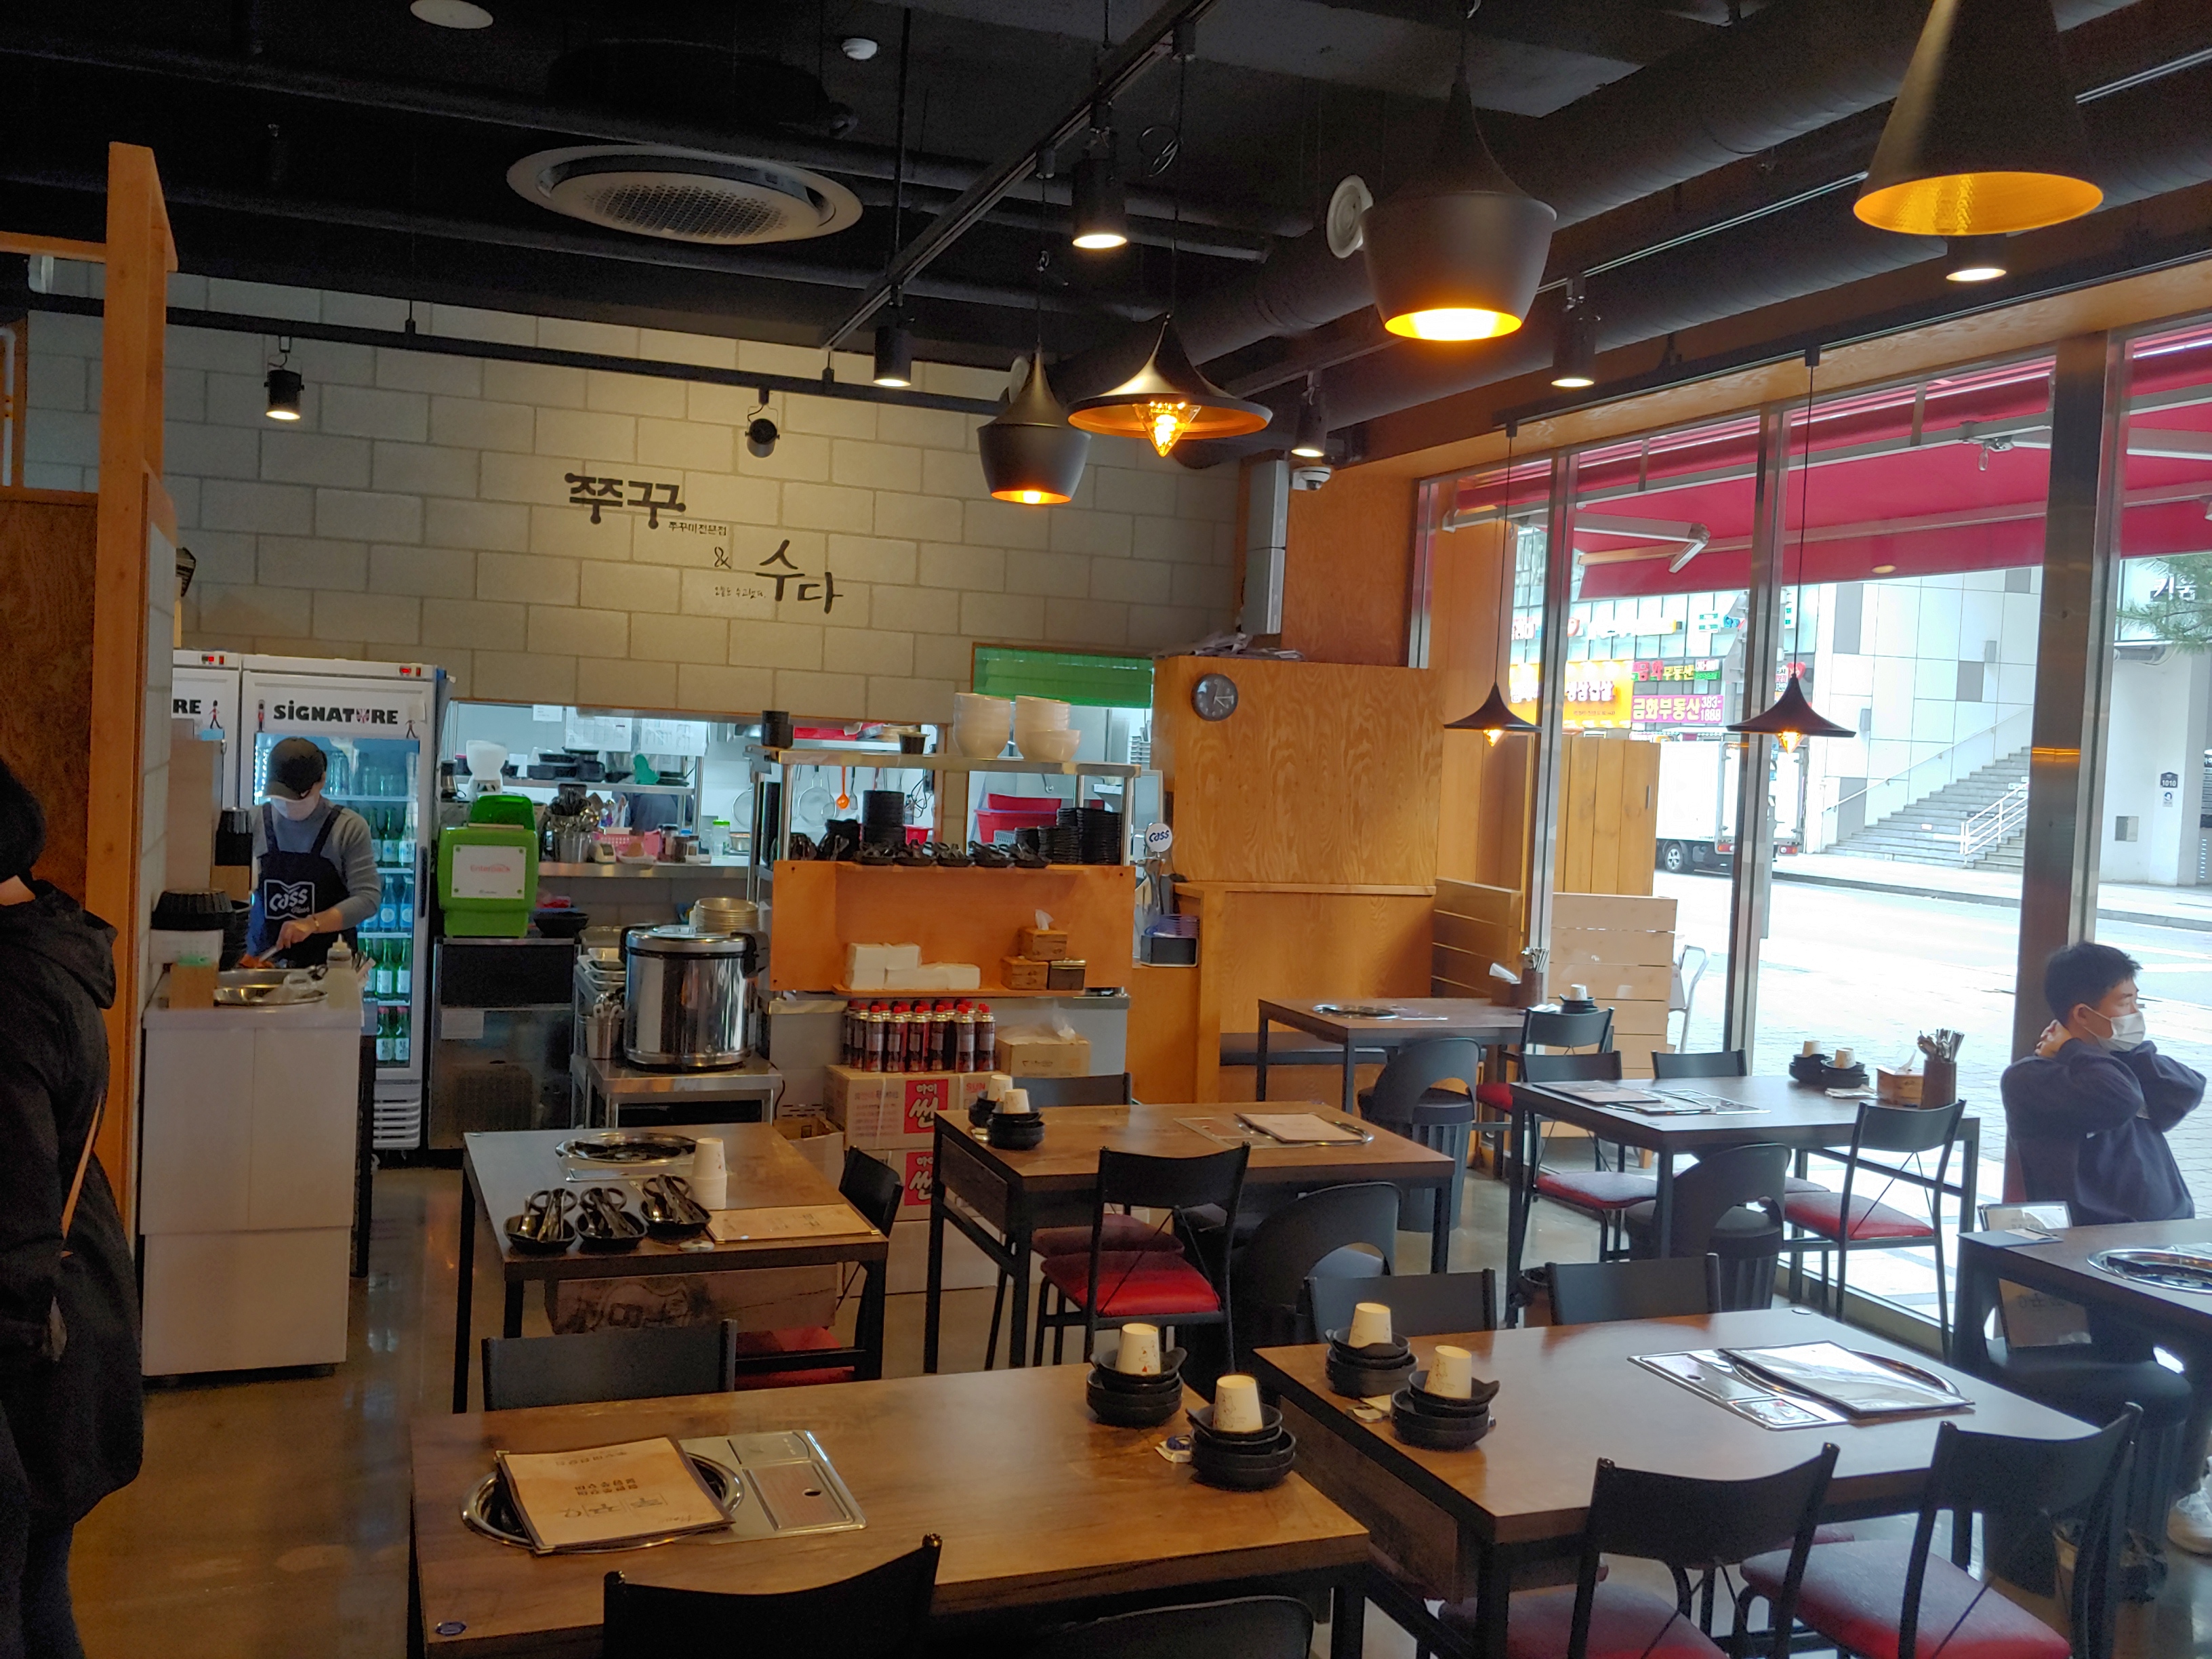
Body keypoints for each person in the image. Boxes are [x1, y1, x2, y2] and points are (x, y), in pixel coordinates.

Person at [2002, 941, 2212, 1555]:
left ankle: (2180, 1484)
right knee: (2146, 1358)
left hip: (2161, 1248)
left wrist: (2122, 1047)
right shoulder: (2033, 1078)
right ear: (2082, 1013)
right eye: (2126, 1003)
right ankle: (2137, 1493)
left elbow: (2185, 1088)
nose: (2136, 1013)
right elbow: (2118, 1100)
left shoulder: (2118, 1066)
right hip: (2093, 1265)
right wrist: (2075, 1050)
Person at [0, 755, 142, 1658]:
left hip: (33, 1347)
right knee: (36, 1586)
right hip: (74, 1312)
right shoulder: (55, 947)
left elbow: (12, 1221)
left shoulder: (9, 994)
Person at [245, 737, 382, 968]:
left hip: (330, 968)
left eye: (298, 796)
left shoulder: (347, 828)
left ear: (322, 781)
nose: (287, 804)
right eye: (280, 797)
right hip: (264, 963)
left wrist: (313, 924)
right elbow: (230, 891)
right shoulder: (253, 821)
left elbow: (367, 898)